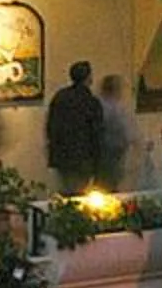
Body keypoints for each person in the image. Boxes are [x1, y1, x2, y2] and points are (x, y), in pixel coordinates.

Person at [45, 59, 106, 194]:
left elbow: (51, 126)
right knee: (79, 192)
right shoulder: (90, 101)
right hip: (83, 156)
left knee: (66, 189)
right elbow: (96, 133)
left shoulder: (60, 97)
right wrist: (98, 162)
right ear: (88, 78)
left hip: (62, 155)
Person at [95, 72, 141, 191]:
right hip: (113, 154)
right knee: (110, 188)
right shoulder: (116, 109)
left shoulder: (98, 105)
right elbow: (129, 133)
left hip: (99, 155)